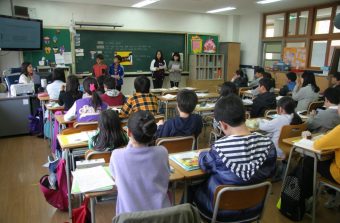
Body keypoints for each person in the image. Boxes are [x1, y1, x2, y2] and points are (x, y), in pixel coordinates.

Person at [192, 95, 276, 221]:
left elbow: (204, 165)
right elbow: (272, 171)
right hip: (255, 208)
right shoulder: (268, 145)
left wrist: (202, 154)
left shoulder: (219, 148)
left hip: (219, 212)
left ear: (223, 125)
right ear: (245, 116)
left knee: (192, 185)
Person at [109, 111, 171, 215]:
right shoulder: (162, 152)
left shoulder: (117, 156)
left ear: (128, 132)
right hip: (161, 217)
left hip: (129, 218)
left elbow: (115, 178)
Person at [303, 105, 340, 209]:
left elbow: (318, 145)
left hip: (338, 174)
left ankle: (306, 198)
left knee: (310, 160)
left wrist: (328, 136)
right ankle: (332, 194)